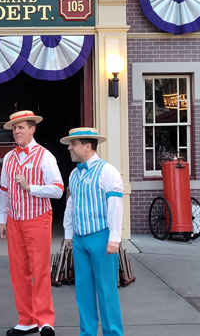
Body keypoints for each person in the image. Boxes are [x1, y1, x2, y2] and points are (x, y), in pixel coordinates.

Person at [0, 110, 64, 336]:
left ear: (33, 128)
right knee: (18, 271)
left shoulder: (45, 155)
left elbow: (57, 189)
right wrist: (1, 219)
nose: (17, 131)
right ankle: (26, 320)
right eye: (15, 128)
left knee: (40, 270)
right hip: (14, 220)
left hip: (38, 218)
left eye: (21, 127)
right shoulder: (8, 157)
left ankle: (45, 320)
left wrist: (31, 188)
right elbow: (4, 191)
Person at [60, 127, 124, 336]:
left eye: (74, 144)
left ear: (87, 146)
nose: (69, 148)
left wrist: (115, 238)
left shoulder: (107, 171)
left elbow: (115, 205)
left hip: (101, 237)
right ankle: (87, 333)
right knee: (84, 291)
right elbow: (71, 204)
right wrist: (69, 233)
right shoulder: (74, 174)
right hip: (79, 239)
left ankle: (113, 333)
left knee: (107, 291)